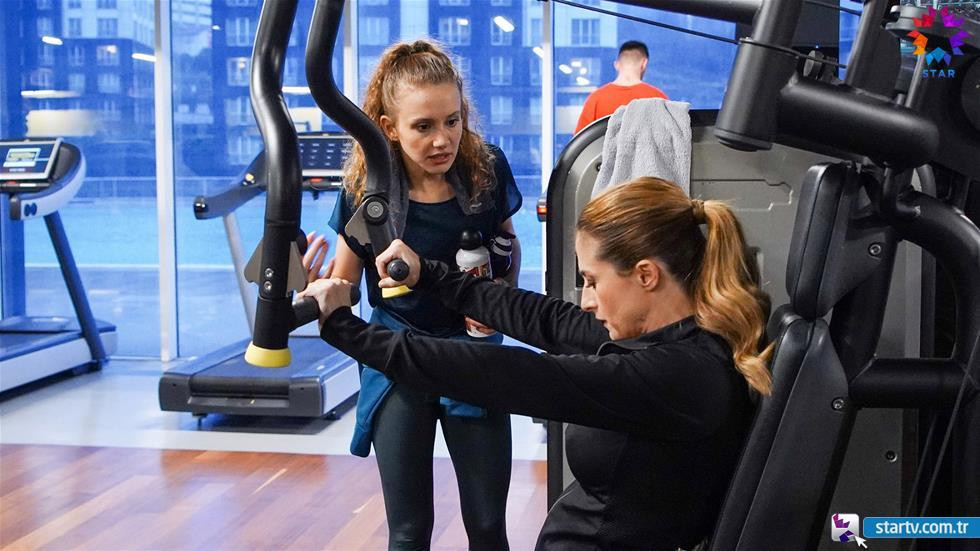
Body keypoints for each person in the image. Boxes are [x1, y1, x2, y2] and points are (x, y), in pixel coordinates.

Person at [299, 177, 773, 551]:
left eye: (593, 281)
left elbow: (507, 374)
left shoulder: (678, 375)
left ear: (646, 275)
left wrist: (344, 327)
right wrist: (432, 276)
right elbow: (547, 319)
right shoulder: (677, 340)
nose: (587, 300)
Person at [303, 40, 523, 551]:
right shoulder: (367, 189)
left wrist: (497, 294)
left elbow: (508, 251)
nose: (443, 139)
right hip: (397, 356)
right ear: (388, 127)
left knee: (488, 526)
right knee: (408, 530)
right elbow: (343, 287)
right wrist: (314, 288)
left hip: (472, 353)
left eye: (452, 120)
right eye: (423, 126)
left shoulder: (486, 168)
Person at [574, 40, 669, 134]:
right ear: (644, 63)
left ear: (616, 64)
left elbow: (580, 140)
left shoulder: (595, 99)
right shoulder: (658, 98)